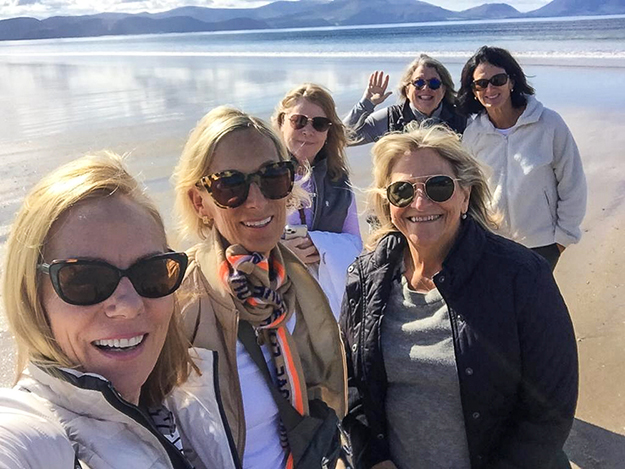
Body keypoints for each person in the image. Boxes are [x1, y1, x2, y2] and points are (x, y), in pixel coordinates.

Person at [339, 125, 578, 469]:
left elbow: (549, 410)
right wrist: (372, 458)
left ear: (465, 194)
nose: (420, 203)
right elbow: (352, 384)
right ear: (387, 202)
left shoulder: (522, 277)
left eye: (439, 186)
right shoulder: (365, 276)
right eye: (402, 191)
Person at [0, 153, 238, 469]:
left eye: (151, 273)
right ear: (31, 295)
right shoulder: (34, 437)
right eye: (85, 279)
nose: (127, 305)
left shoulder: (182, 400)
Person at [173, 106, 347, 468]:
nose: (256, 201)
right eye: (229, 185)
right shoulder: (179, 302)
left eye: (272, 177)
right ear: (199, 201)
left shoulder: (294, 278)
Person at [458, 45, 587, 270]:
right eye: (481, 83)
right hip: (491, 243)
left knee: (535, 304)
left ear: (512, 82)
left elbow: (572, 182)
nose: (490, 88)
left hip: (542, 244)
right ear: (474, 91)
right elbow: (467, 190)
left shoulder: (548, 123)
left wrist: (562, 239)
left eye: (498, 79)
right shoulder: (473, 134)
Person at [273, 83, 362, 317]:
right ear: (281, 122)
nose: (308, 130)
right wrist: (279, 251)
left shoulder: (338, 181)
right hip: (275, 297)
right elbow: (234, 238)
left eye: (319, 124)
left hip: (327, 301)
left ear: (328, 132)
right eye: (298, 121)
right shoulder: (262, 175)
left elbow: (354, 242)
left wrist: (319, 244)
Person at [344, 54, 467, 145]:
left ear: (444, 89)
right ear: (407, 90)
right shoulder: (391, 119)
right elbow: (344, 138)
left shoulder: (461, 118)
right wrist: (366, 104)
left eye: (434, 83)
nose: (425, 88)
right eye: (418, 82)